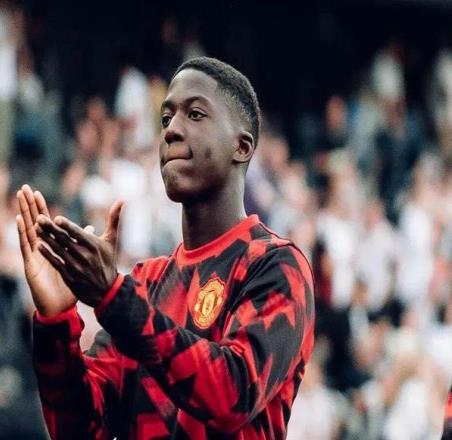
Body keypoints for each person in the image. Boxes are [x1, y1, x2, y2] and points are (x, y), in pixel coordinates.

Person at [16, 57, 315, 439]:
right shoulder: (147, 281)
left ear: (241, 147)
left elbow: (232, 395)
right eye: (166, 118)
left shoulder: (276, 266)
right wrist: (56, 322)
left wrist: (114, 297)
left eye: (195, 114)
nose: (171, 130)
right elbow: (80, 430)